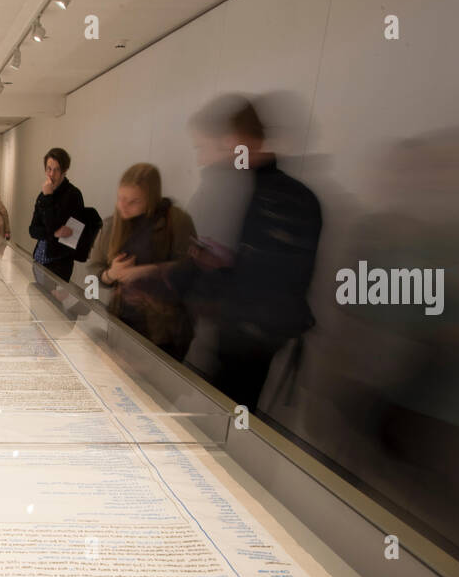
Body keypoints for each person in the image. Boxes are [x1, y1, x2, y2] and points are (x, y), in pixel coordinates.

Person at [170, 94, 322, 414]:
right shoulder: (261, 189)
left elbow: (278, 278)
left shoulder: (278, 197)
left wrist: (219, 270)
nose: (204, 160)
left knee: (232, 413)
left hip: (250, 337)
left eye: (205, 149)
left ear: (234, 140)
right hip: (238, 334)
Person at [85, 163, 196, 360]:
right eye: (121, 199)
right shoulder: (112, 225)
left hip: (163, 332)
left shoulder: (177, 222)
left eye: (133, 201)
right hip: (122, 323)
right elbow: (93, 271)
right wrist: (111, 274)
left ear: (151, 199)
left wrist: (150, 271)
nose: (123, 207)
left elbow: (192, 271)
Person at [28, 147, 85, 281]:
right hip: (39, 259)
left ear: (64, 171)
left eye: (56, 169)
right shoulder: (43, 195)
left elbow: (55, 226)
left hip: (59, 264)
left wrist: (48, 197)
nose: (51, 174)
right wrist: (53, 234)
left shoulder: (73, 195)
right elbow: (33, 230)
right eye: (49, 169)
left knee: (53, 302)